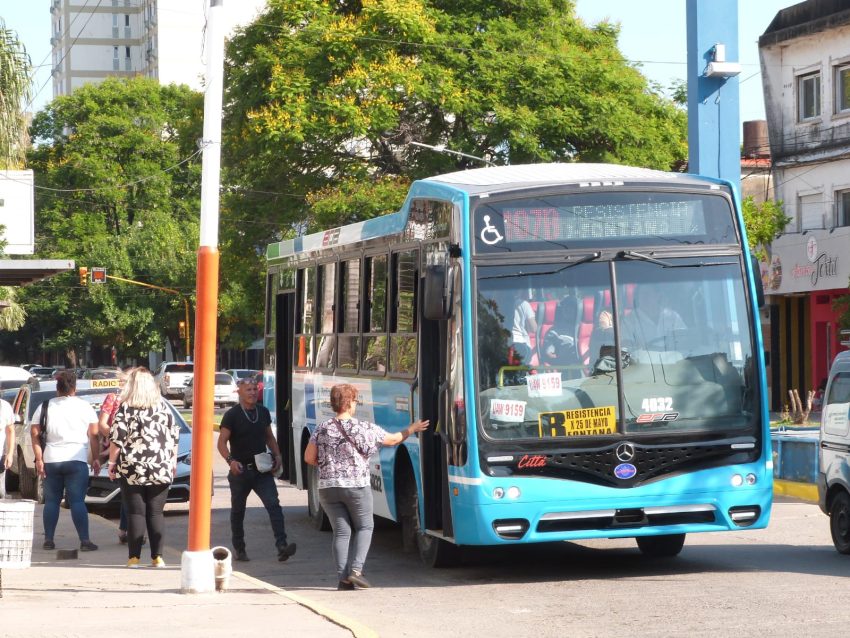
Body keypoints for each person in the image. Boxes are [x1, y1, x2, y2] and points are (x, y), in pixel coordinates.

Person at [305, 383, 429, 590]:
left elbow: (309, 457)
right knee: (365, 526)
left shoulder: (321, 428)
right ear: (349, 403)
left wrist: (331, 466)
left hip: (327, 488)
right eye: (355, 400)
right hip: (356, 487)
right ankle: (356, 571)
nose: (356, 404)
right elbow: (393, 440)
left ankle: (343, 581)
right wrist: (413, 428)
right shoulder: (364, 428)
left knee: (341, 532)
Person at [106, 367, 180, 568]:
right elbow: (174, 437)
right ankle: (158, 557)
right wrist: (171, 462)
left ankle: (134, 558)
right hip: (160, 465)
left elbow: (117, 440)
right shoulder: (164, 408)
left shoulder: (126, 408)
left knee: (136, 513)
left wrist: (112, 464)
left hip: (132, 467)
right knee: (156, 513)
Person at [217, 376, 296, 563]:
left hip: (261, 470)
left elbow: (269, 437)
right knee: (238, 511)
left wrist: (277, 455)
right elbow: (221, 442)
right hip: (241, 471)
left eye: (255, 389)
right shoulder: (232, 415)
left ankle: (282, 546)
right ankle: (239, 547)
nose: (252, 392)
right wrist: (231, 461)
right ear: (240, 392)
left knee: (274, 505)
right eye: (248, 389)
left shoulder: (263, 412)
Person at [31, 369, 100, 552]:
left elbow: (35, 435)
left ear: (57, 387)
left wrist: (39, 459)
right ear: (74, 388)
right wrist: (96, 458)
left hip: (51, 460)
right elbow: (94, 436)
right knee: (77, 501)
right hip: (76, 459)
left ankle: (48, 539)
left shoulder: (44, 406)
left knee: (52, 501)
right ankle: (85, 541)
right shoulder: (84, 406)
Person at [98, 372, 130, 543]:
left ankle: (125, 528)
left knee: (130, 491)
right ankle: (127, 529)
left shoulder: (140, 399)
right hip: (119, 451)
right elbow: (102, 424)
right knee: (128, 490)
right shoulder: (113, 398)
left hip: (136, 451)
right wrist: (115, 439)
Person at [620, 285, 686, 350]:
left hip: (675, 360)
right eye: (641, 294)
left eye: (647, 294)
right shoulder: (629, 321)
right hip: (640, 360)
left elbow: (684, 340)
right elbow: (625, 346)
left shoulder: (673, 317)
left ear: (658, 295)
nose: (644, 297)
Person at [511, 290, 538, 364]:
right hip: (521, 344)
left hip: (506, 343)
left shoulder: (500, 305)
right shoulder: (523, 304)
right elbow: (534, 328)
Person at [0, 396, 14, 499]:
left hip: (0, 458)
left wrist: (10, 454)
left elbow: (10, 431)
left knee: (0, 495)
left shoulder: (5, 406)